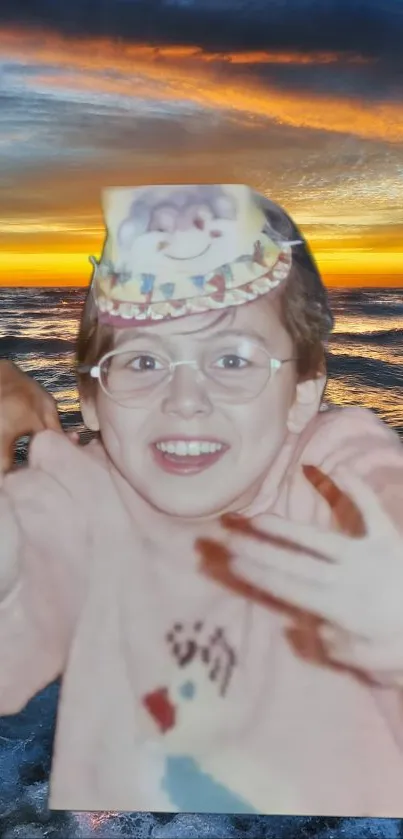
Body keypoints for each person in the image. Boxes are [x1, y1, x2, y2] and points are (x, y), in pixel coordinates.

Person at [1, 182, 403, 816]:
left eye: (234, 360)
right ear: (91, 398)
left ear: (302, 391)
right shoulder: (83, 491)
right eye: (141, 363)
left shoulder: (328, 466)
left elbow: (380, 487)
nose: (185, 400)